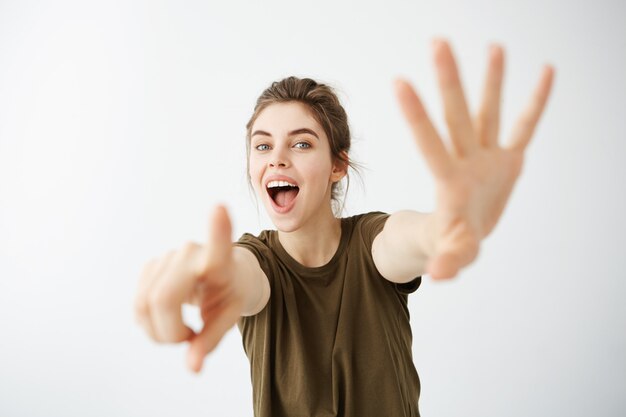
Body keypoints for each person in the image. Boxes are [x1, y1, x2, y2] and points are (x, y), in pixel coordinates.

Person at [134, 39, 554, 417]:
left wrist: (447, 227)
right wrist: (215, 277)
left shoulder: (373, 242)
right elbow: (243, 277)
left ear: (338, 165)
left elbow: (408, 239)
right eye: (263, 145)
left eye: (301, 143)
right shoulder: (255, 262)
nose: (276, 158)